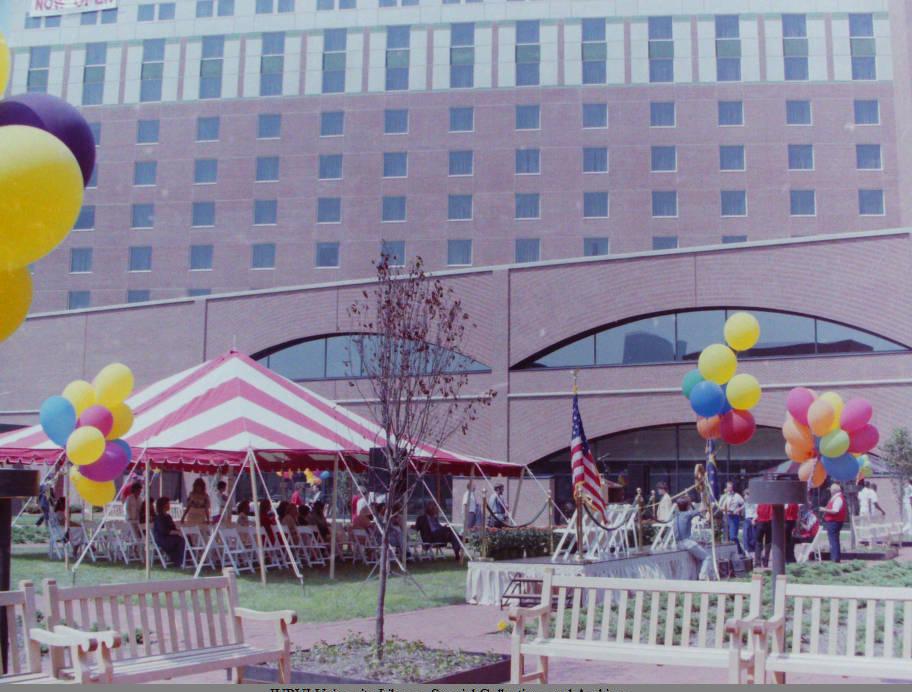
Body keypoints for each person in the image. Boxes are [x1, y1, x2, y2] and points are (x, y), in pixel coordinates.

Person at [673, 497, 713, 580]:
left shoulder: (676, 515)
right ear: (688, 506)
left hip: (679, 543)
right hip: (686, 543)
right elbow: (703, 509)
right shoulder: (688, 514)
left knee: (699, 556)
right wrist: (708, 503)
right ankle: (702, 576)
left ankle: (698, 576)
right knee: (707, 557)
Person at [152, 497, 185, 565]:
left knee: (186, 538)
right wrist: (177, 532)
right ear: (163, 505)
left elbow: (173, 528)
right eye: (168, 503)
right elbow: (164, 531)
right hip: (162, 539)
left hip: (169, 537)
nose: (169, 505)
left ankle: (185, 559)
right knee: (180, 541)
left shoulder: (168, 516)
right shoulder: (159, 517)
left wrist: (180, 531)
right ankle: (178, 561)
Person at [822, 483, 846, 562]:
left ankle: (835, 558)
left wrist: (824, 510)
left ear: (834, 490)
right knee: (834, 540)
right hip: (834, 521)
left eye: (831, 490)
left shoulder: (838, 498)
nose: (830, 491)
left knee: (833, 540)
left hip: (834, 521)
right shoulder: (836, 497)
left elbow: (835, 511)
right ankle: (835, 557)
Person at [719, 481, 745, 554]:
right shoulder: (723, 496)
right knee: (726, 537)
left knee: (733, 536)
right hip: (725, 517)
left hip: (733, 517)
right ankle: (728, 553)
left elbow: (744, 504)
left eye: (731, 487)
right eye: (728, 487)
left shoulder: (737, 496)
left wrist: (738, 509)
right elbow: (719, 506)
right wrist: (722, 508)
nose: (729, 489)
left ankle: (740, 552)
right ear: (726, 488)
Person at [753, 503, 772, 568]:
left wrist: (754, 519)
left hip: (760, 522)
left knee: (758, 543)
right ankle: (765, 562)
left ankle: (758, 563)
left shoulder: (760, 500)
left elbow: (756, 511)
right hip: (769, 522)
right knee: (768, 543)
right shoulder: (771, 501)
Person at [743, 488, 757, 558]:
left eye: (746, 495)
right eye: (744, 495)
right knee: (745, 535)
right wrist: (737, 510)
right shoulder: (745, 502)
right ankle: (746, 551)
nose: (745, 497)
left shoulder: (755, 502)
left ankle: (755, 552)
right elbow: (744, 507)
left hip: (752, 519)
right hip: (746, 519)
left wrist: (754, 519)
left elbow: (757, 511)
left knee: (753, 537)